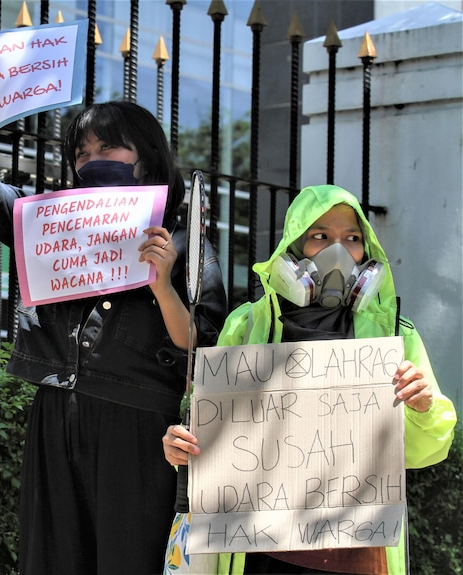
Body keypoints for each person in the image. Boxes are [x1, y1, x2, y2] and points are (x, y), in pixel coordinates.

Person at [0, 25, 228, 575]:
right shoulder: (51, 224)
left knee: (130, 559)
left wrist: (162, 286)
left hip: (140, 425)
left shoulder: (185, 239)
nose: (92, 158)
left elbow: (204, 346)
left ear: (146, 156)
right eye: (82, 150)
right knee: (52, 557)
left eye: (109, 146)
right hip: (58, 410)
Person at [162, 184, 457, 575]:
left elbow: (426, 451)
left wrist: (422, 407)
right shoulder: (245, 326)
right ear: (293, 249)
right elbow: (208, 438)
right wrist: (181, 447)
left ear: (367, 253)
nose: (339, 250)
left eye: (352, 238)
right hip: (259, 556)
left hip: (356, 556)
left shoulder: (396, 337)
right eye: (320, 236)